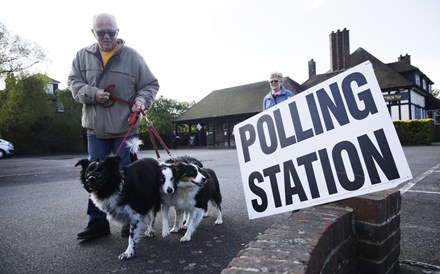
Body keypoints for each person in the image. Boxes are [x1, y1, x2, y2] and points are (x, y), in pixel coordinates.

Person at [68, 13, 159, 241]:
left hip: (124, 129)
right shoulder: (82, 56)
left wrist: (141, 101)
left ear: (118, 32)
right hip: (95, 130)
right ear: (93, 33)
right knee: (94, 177)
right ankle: (97, 224)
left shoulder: (132, 56)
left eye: (111, 32)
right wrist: (92, 93)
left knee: (128, 177)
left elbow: (150, 84)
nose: (107, 36)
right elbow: (73, 83)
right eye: (101, 32)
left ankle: (131, 220)